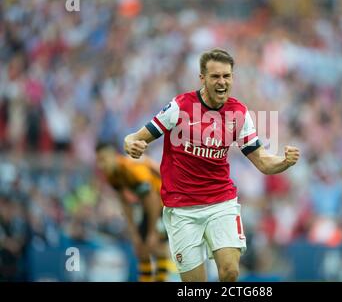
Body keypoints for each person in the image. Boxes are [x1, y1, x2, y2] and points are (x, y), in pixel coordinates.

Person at [123, 48, 300, 282]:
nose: (222, 82)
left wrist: (284, 162)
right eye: (215, 76)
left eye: (227, 76)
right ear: (202, 78)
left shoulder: (239, 113)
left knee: (230, 271)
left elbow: (263, 161)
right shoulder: (179, 107)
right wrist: (131, 145)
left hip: (220, 202)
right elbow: (135, 137)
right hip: (181, 208)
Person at [95, 142, 173, 282]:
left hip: (165, 202)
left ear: (113, 156)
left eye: (103, 159)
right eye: (99, 161)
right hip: (146, 206)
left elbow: (153, 199)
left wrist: (152, 232)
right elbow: (124, 203)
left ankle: (160, 279)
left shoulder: (132, 168)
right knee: (141, 249)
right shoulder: (112, 175)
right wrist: (134, 233)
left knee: (157, 246)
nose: (101, 165)